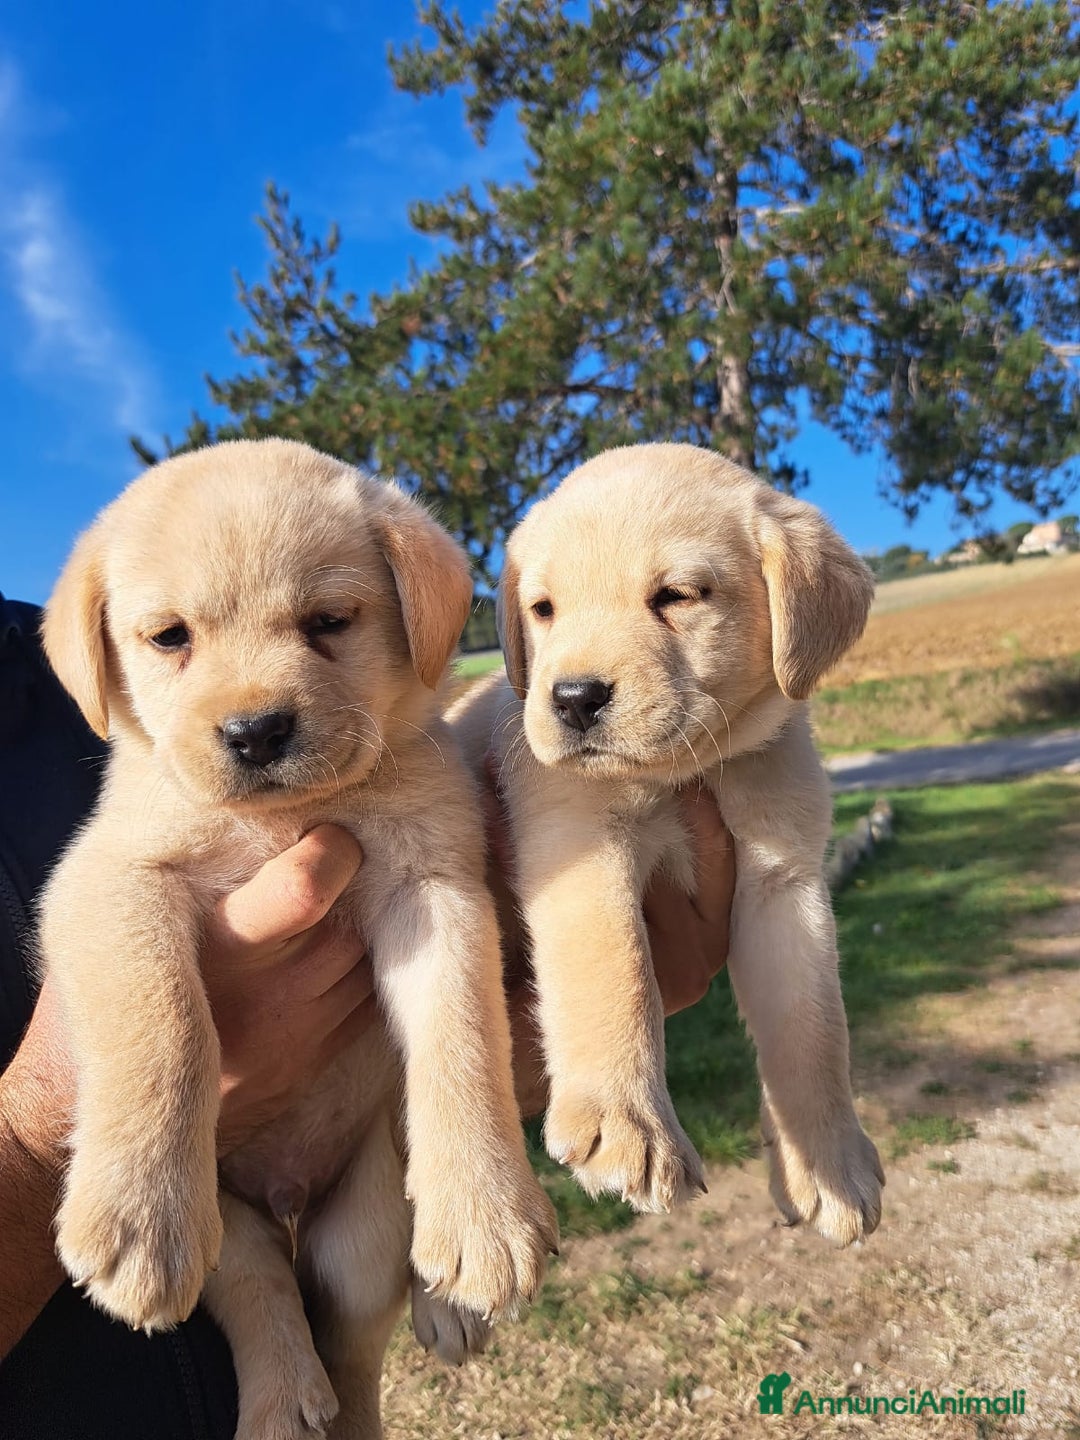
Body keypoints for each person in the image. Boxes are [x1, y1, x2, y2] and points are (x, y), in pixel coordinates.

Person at [0, 590, 736, 1438]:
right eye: (172, 638)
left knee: (359, 1284)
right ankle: (275, 1345)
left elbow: (440, 929)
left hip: (358, 1155)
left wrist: (563, 1046)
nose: (252, 706)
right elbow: (111, 892)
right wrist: (70, 1128)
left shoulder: (41, 656)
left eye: (325, 623)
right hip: (147, 1302)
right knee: (253, 1278)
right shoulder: (110, 657)